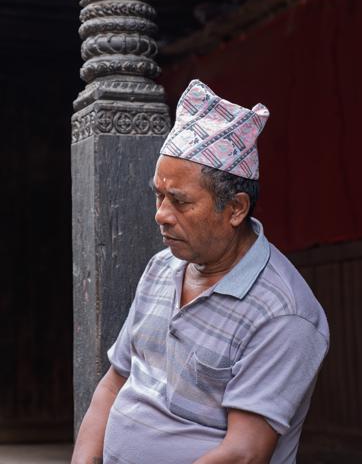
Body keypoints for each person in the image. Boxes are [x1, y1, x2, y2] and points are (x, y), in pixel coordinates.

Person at [71, 79, 329, 464]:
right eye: (158, 195)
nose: (161, 214)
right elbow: (113, 384)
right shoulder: (161, 269)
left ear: (236, 209)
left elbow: (244, 453)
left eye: (179, 201)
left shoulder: (283, 314)